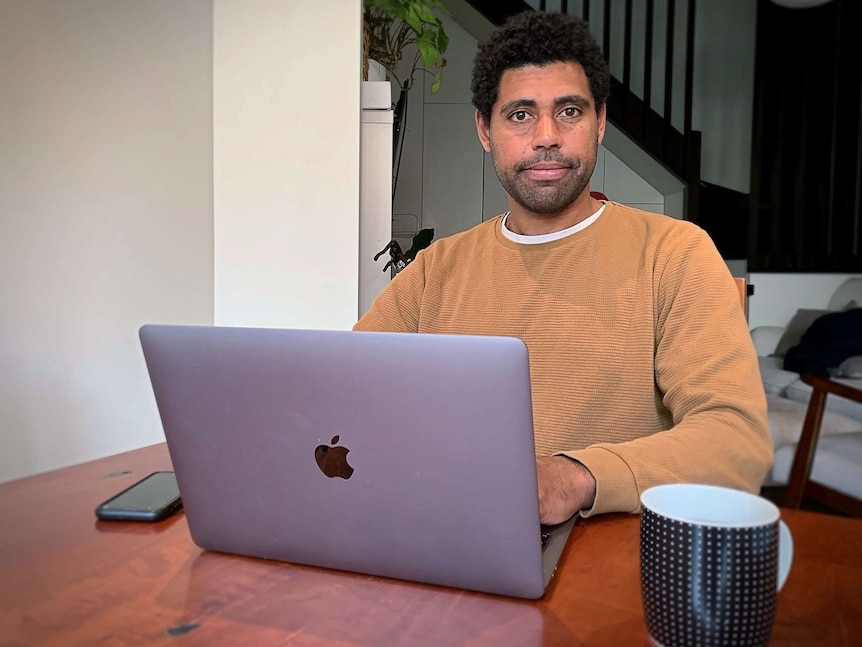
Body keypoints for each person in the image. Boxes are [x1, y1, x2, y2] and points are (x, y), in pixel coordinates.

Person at [355, 11, 772, 523]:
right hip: (456, 530)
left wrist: (577, 477)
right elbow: (349, 393)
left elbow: (736, 439)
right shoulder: (435, 270)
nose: (547, 136)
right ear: (486, 130)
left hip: (609, 556)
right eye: (521, 115)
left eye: (569, 111)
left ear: (599, 122)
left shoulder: (674, 253)